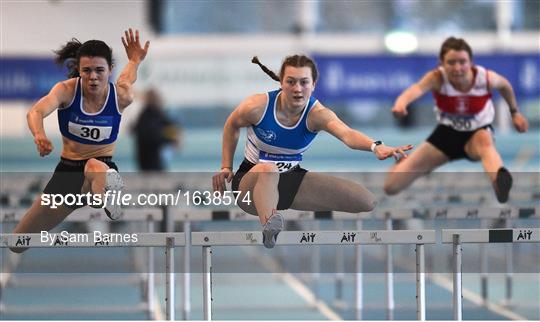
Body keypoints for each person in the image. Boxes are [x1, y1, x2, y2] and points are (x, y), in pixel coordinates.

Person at [212, 55, 412, 249]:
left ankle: (274, 215)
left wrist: (375, 146)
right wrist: (226, 166)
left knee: (366, 201)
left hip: (290, 180)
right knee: (268, 170)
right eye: (291, 82)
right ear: (281, 82)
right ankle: (269, 226)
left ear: (314, 84)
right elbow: (231, 125)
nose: (297, 89)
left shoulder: (318, 114)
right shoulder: (257, 106)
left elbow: (347, 134)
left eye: (304, 82)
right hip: (249, 184)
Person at [11, 29, 149, 252]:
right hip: (66, 173)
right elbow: (35, 112)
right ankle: (100, 195)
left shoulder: (121, 96)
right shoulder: (66, 91)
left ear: (109, 70)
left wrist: (135, 60)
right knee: (17, 243)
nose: (93, 76)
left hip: (100, 170)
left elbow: (128, 77)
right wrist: (39, 134)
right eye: (87, 71)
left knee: (93, 165)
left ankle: (105, 195)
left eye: (99, 70)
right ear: (78, 70)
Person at [384, 37, 529, 203]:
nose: (457, 68)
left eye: (462, 62)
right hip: (445, 136)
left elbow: (505, 86)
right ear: (442, 63)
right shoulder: (437, 78)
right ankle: (406, 165)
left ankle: (499, 182)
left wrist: (514, 112)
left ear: (471, 62)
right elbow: (416, 89)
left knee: (485, 143)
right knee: (391, 187)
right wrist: (401, 103)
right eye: (451, 62)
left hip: (476, 134)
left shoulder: (485, 78)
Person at [132, 88, 181, 171]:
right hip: (150, 162)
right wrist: (171, 139)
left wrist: (175, 135)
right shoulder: (148, 116)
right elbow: (153, 137)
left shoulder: (154, 114)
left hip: (150, 160)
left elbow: (170, 124)